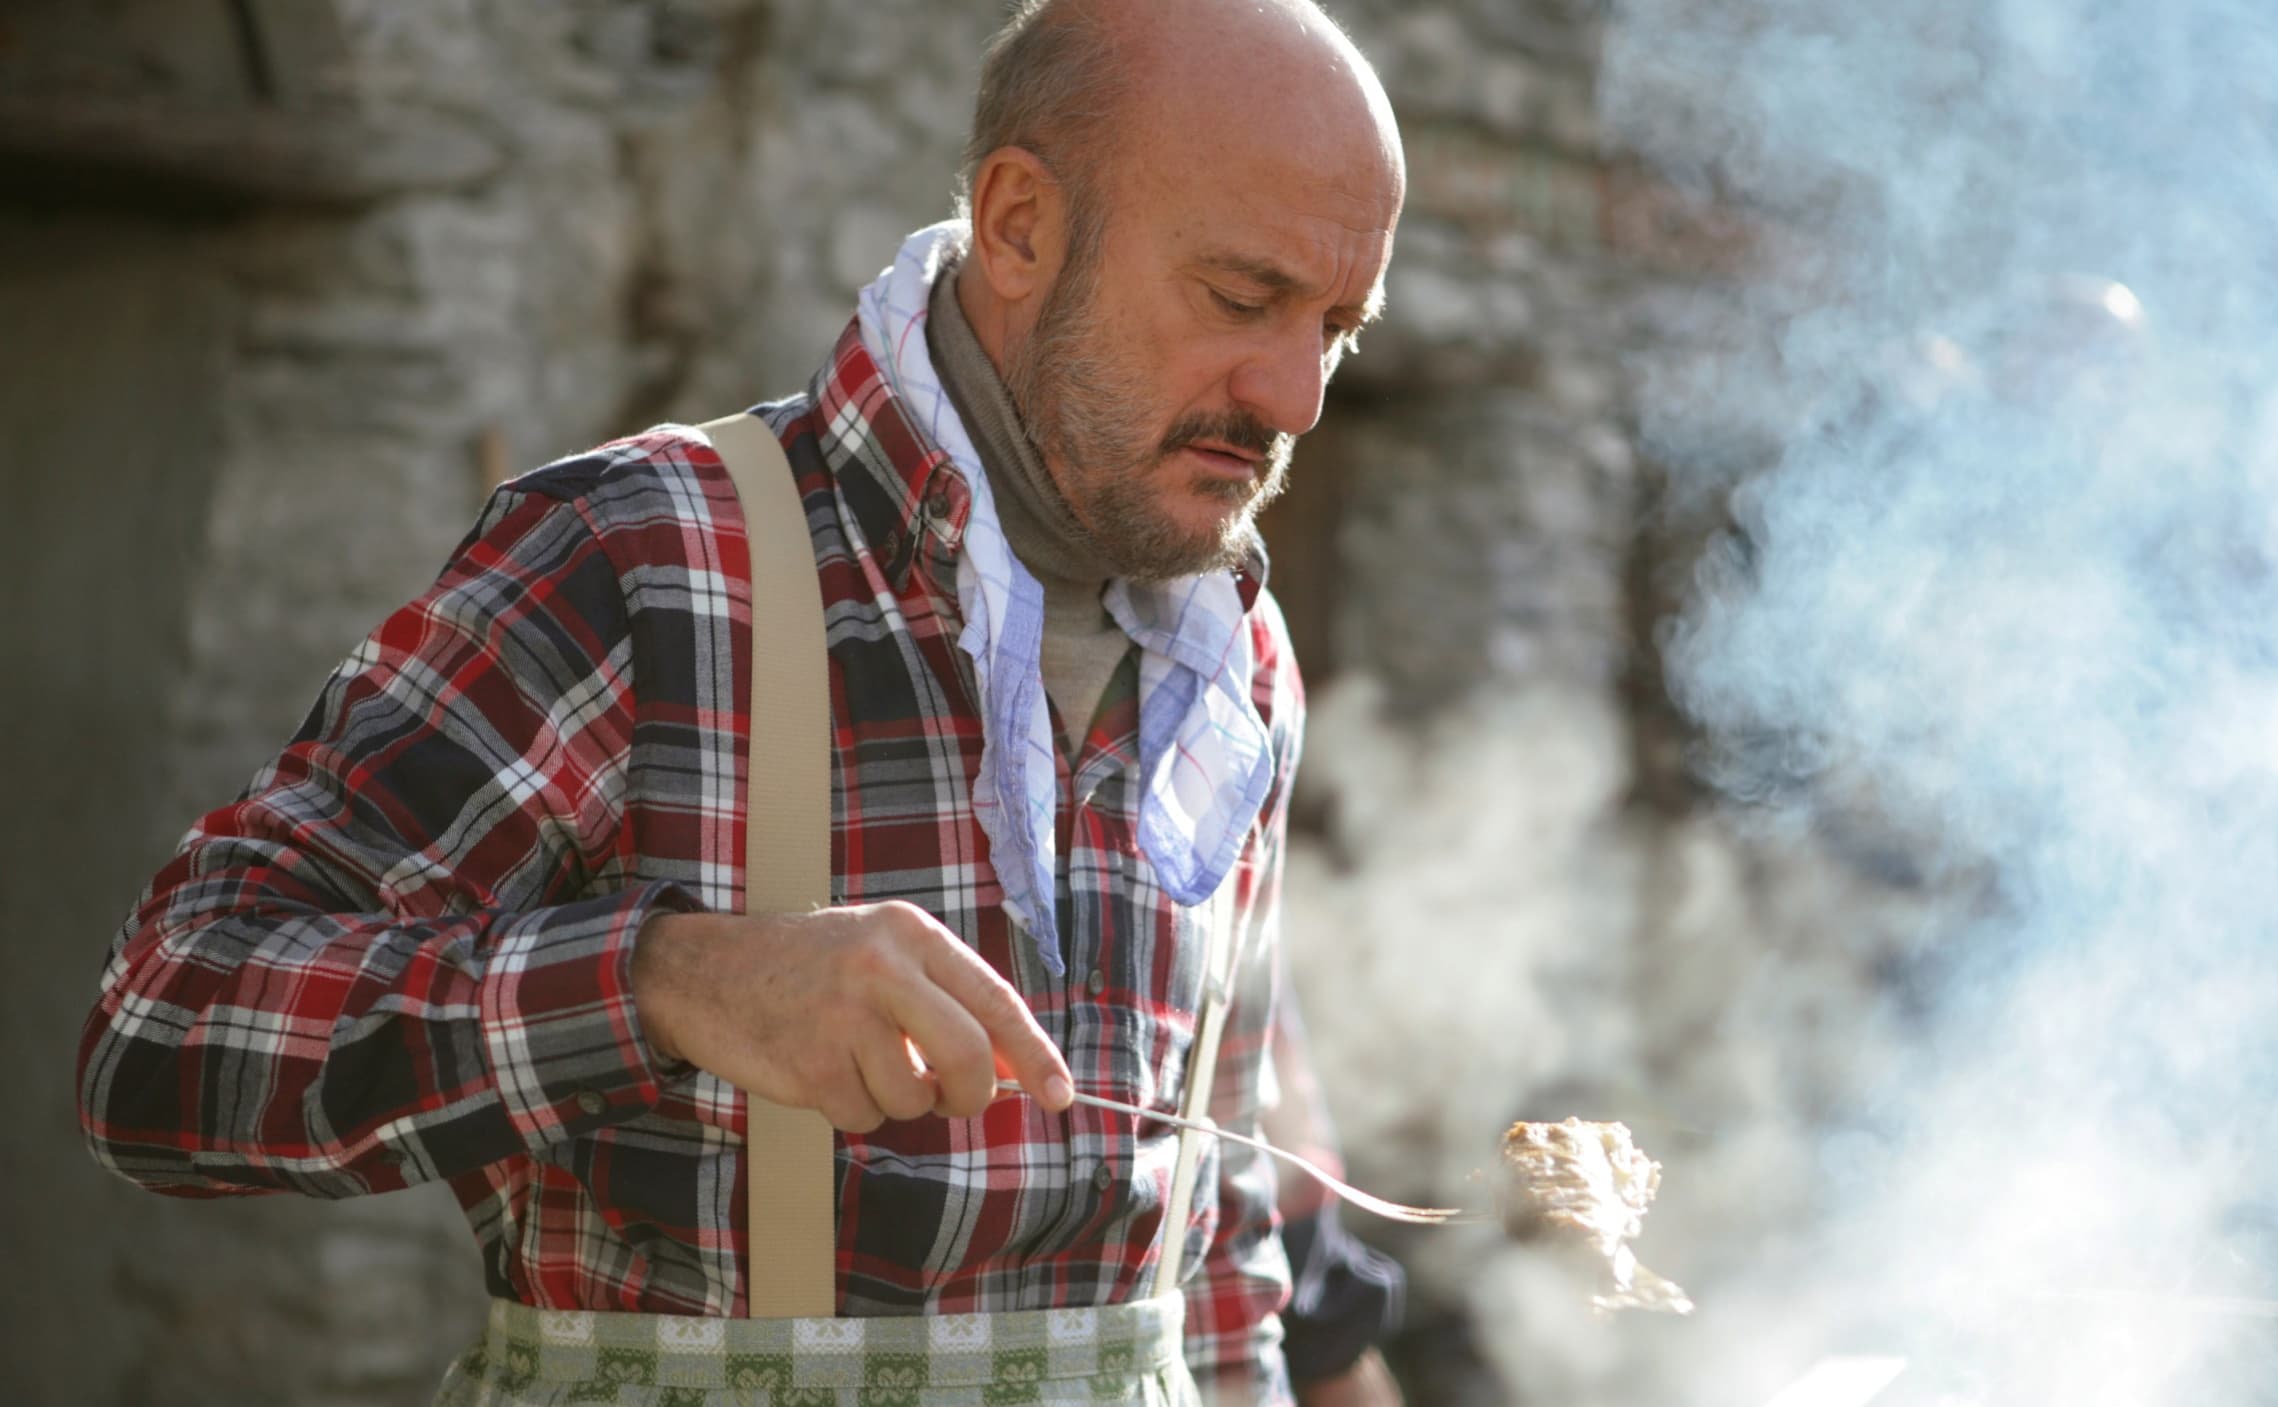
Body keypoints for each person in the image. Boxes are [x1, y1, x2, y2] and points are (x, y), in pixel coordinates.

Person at [73, 1, 1407, 1403]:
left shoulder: (1239, 659)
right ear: (1019, 226)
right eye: (1241, 299)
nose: (1297, 399)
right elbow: (158, 1038)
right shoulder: (638, 558)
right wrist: (665, 981)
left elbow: (1217, 1251)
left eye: (1336, 328)